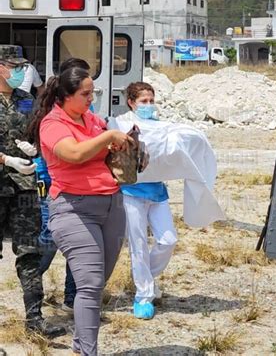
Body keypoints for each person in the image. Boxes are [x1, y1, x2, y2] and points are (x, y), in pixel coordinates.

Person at [30, 66, 133, 355]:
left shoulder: (93, 119)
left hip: (112, 205)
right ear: (65, 96)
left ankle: (80, 347)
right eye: (85, 94)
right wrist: (109, 135)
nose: (91, 98)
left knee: (98, 283)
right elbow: (74, 154)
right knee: (90, 284)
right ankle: (88, 351)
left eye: (93, 92)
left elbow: (105, 154)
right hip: (74, 209)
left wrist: (131, 153)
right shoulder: (52, 124)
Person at [0, 44, 66, 338]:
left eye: (21, 66)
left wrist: (35, 149)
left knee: (29, 252)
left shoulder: (26, 100)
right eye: (13, 66)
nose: (19, 71)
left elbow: (37, 132)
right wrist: (4, 159)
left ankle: (34, 320)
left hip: (24, 188)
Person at [25, 58, 93, 313]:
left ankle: (72, 299)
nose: (89, 94)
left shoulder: (83, 113)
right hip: (52, 186)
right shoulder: (50, 114)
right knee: (50, 240)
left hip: (77, 188)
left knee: (78, 245)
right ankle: (30, 283)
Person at [117, 82, 177, 320]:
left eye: (151, 101)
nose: (149, 105)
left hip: (158, 191)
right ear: (132, 102)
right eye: (143, 101)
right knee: (138, 244)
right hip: (132, 192)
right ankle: (143, 297)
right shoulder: (122, 123)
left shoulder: (161, 126)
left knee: (168, 239)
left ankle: (147, 281)